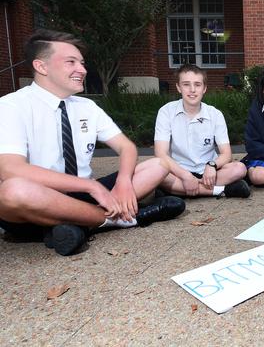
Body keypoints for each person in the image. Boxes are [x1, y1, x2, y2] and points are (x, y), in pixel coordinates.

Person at [0, 29, 185, 256]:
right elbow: (11, 169)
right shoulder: (11, 106)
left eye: (82, 63)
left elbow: (126, 147)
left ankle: (75, 226)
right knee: (13, 190)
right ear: (42, 67)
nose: (83, 70)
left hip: (85, 196)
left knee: (159, 165)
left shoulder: (86, 107)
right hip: (39, 200)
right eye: (71, 62)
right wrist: (92, 186)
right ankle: (121, 220)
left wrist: (124, 181)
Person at [154, 64, 250, 199]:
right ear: (178, 87)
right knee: (157, 172)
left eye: (197, 85)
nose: (192, 90)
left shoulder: (215, 114)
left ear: (204, 88)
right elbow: (161, 154)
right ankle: (220, 190)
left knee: (239, 168)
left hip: (208, 173)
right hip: (179, 171)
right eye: (186, 84)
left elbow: (226, 154)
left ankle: (178, 190)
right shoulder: (166, 112)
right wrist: (185, 176)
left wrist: (212, 165)